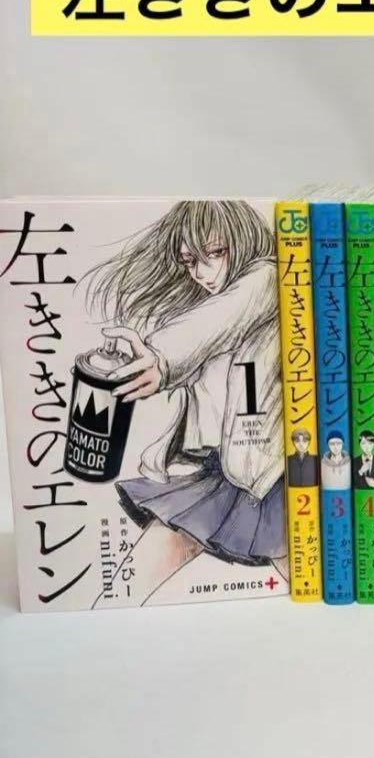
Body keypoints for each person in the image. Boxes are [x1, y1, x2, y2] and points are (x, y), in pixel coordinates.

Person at [82, 199, 286, 607]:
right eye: (190, 261)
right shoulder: (208, 302)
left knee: (311, 584)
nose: (203, 273)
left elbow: (213, 323)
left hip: (271, 476)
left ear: (243, 238)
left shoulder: (265, 277)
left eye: (216, 253)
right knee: (131, 579)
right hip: (225, 473)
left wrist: (161, 358)